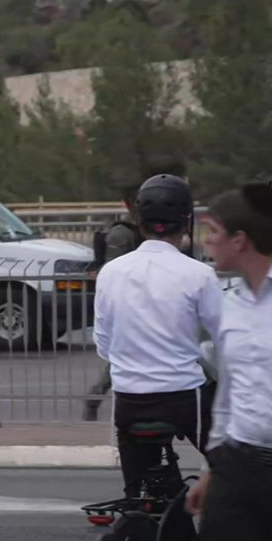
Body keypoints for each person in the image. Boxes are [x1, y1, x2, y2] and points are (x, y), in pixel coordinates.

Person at [186, 184, 272, 541]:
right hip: (237, 472)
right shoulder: (229, 305)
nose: (205, 241)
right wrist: (211, 471)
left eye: (213, 232)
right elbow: (228, 396)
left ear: (240, 240)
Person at [93, 174, 222, 498]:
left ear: (139, 220)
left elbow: (103, 344)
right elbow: (224, 339)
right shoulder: (199, 274)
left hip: (128, 399)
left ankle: (137, 532)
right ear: (187, 221)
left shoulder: (111, 272)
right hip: (181, 397)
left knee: (137, 494)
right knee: (232, 465)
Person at [84, 183, 144, 420]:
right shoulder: (122, 233)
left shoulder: (142, 230)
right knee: (122, 356)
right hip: (131, 305)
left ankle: (98, 395)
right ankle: (97, 395)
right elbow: (114, 273)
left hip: (145, 302)